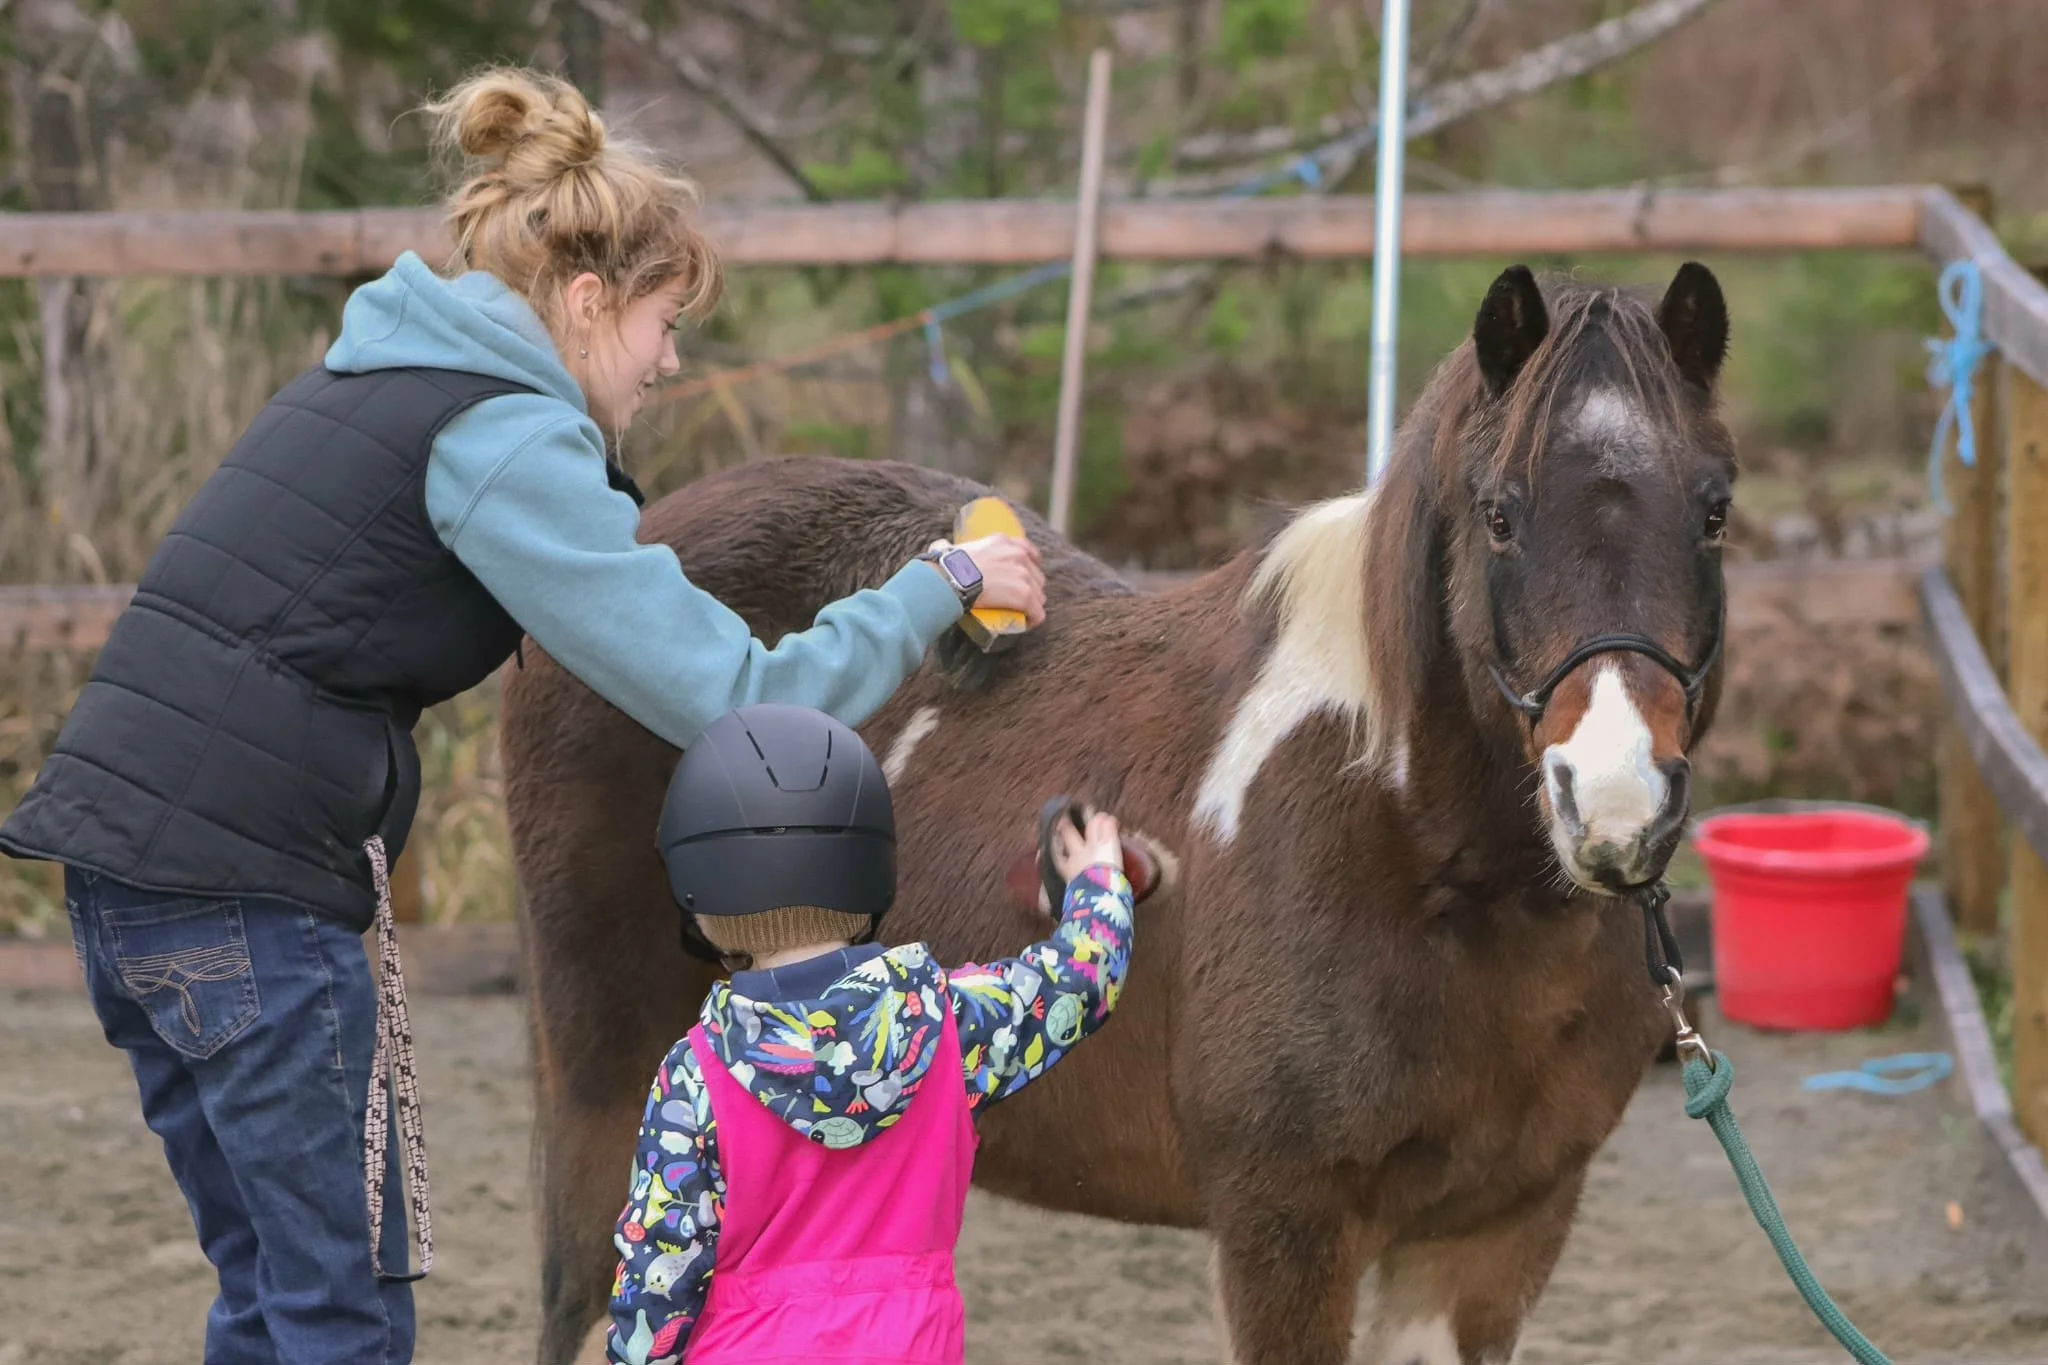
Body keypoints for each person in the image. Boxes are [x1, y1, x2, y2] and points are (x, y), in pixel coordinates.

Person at [0, 66, 1044, 1365]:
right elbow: (743, 700)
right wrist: (938, 583)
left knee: (273, 1294)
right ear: (589, 299)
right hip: (246, 892)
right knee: (339, 1313)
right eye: (664, 323)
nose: (669, 360)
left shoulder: (383, 372)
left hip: (128, 880)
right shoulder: (499, 434)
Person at [605, 703, 1135, 1365]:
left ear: (699, 895)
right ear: (869, 866)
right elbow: (1079, 982)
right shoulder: (947, 1023)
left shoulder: (694, 1078)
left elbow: (658, 1278)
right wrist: (1099, 880)